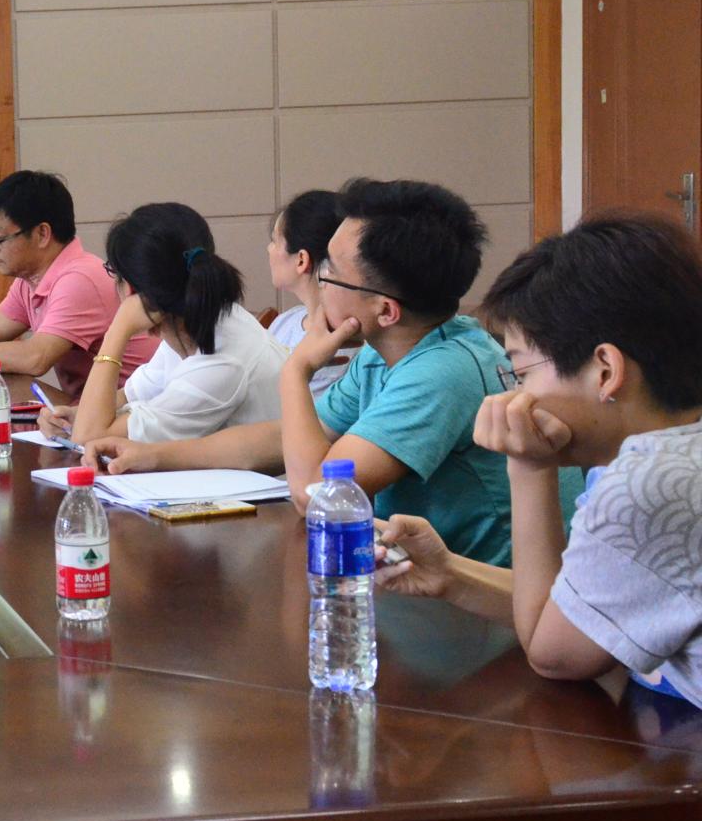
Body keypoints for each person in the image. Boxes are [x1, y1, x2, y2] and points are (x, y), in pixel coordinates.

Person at [81, 178, 580, 566]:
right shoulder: (386, 351)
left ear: (385, 310)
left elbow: (317, 494)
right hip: (417, 584)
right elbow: (280, 439)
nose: (317, 282)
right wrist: (154, 456)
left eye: (329, 273)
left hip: (486, 614)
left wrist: (296, 371)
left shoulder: (442, 371)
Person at [373, 213, 702, 697]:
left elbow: (555, 655)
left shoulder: (648, 482)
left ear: (605, 370)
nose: (514, 396)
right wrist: (451, 574)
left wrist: (529, 468)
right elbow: (578, 616)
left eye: (522, 373)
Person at [38, 203, 284, 445]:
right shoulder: (197, 321)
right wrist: (77, 416)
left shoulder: (221, 364)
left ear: (131, 290)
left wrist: (117, 331)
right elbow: (128, 396)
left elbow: (90, 437)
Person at [0, 170, 156, 388]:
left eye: (0, 237)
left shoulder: (79, 280)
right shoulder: (29, 280)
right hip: (90, 405)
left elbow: (36, 358)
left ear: (42, 234)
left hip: (134, 408)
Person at [264, 189, 350, 397]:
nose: (269, 249)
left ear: (301, 260)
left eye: (275, 240)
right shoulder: (285, 321)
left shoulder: (345, 345)